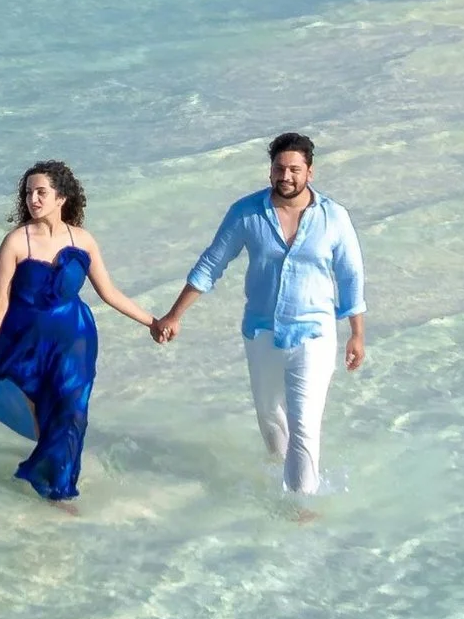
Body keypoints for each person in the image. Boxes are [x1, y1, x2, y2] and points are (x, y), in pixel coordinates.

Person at [0, 161, 156, 506]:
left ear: (61, 197)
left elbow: (109, 293)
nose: (33, 199)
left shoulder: (83, 240)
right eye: (29, 193)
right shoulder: (16, 243)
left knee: (72, 409)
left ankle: (57, 491)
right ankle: (47, 477)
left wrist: (153, 322)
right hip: (19, 338)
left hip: (72, 339)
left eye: (41, 192)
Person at [154, 132, 366, 496]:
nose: (286, 176)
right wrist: (175, 315)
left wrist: (357, 334)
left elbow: (350, 275)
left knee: (304, 424)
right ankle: (285, 480)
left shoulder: (334, 217)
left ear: (310, 172)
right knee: (270, 418)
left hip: (314, 332)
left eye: (295, 169)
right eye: (279, 168)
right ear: (270, 171)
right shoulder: (246, 213)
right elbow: (211, 264)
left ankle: (300, 506)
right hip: (261, 331)